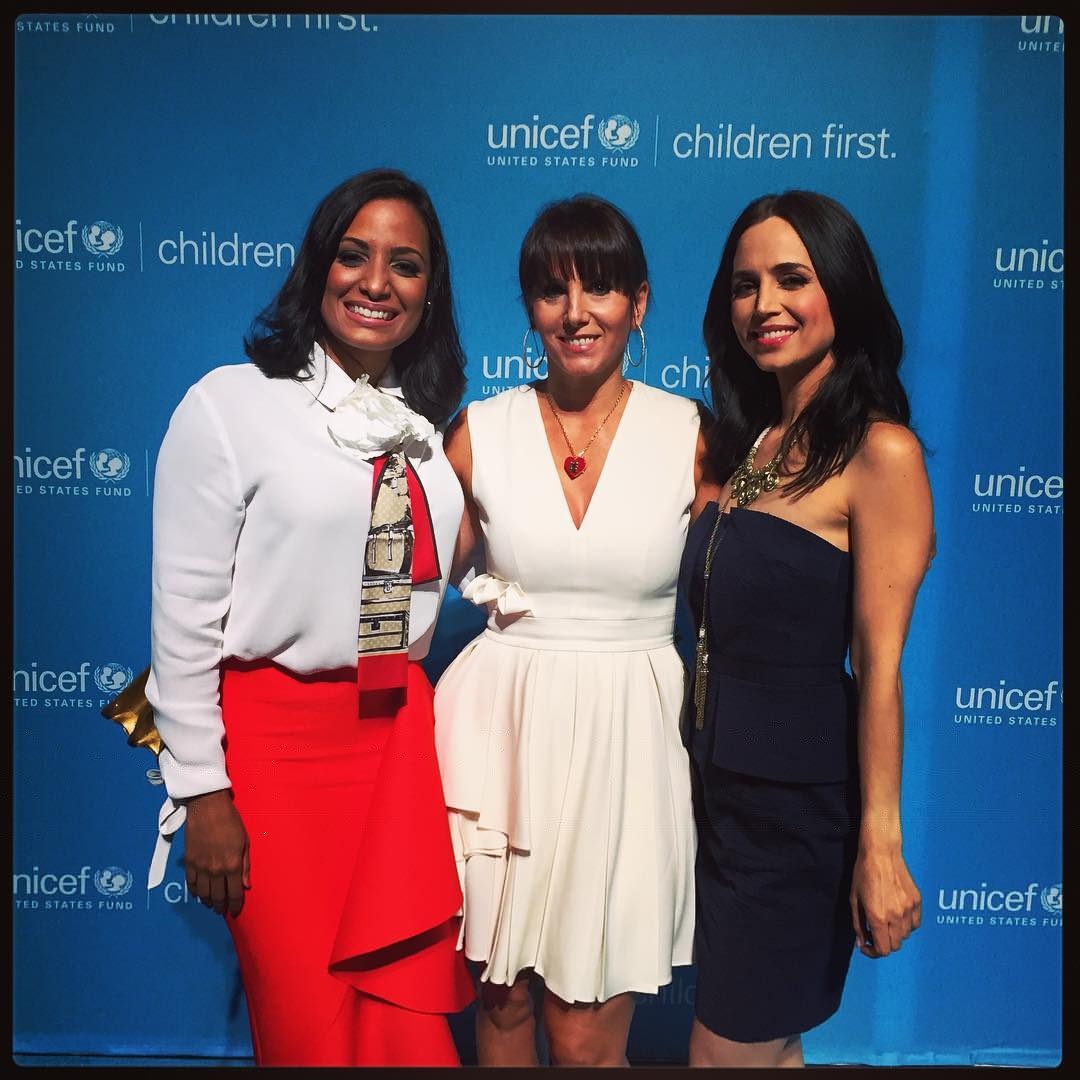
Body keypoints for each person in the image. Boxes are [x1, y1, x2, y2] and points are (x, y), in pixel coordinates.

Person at [144, 168, 474, 1066]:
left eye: (405, 265)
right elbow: (183, 621)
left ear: (430, 291)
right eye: (354, 255)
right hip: (273, 762)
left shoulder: (424, 431)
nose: (377, 282)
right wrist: (202, 791)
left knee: (407, 1031)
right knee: (308, 1034)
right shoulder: (230, 406)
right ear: (317, 266)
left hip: (395, 754)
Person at [433, 195, 704, 1067]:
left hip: (631, 740)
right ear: (529, 306)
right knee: (502, 1007)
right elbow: (402, 591)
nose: (576, 313)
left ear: (640, 302)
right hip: (501, 737)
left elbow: (747, 595)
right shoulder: (479, 430)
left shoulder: (694, 435)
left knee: (584, 1040)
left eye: (602, 289)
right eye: (553, 291)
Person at [681, 190, 931, 1067]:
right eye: (745, 285)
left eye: (793, 278)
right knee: (763, 1048)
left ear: (842, 290)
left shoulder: (880, 453)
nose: (765, 305)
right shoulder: (747, 444)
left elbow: (881, 668)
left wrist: (881, 845)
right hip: (717, 797)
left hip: (796, 814)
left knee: (725, 1053)